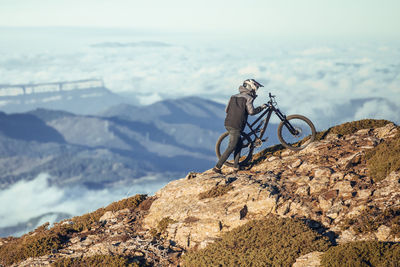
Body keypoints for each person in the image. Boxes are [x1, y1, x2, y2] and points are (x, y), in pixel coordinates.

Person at [213, 79, 266, 173]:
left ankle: (236, 167)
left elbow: (226, 110)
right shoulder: (248, 98)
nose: (256, 90)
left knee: (239, 144)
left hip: (228, 123)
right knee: (231, 146)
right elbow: (251, 112)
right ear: (251, 87)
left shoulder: (233, 96)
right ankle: (217, 167)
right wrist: (261, 107)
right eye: (256, 88)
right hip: (237, 125)